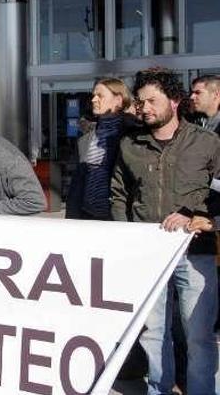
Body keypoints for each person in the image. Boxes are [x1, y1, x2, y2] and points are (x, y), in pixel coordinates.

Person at [110, 67, 219, 395]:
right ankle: (160, 389)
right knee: (154, 332)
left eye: (152, 100)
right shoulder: (130, 144)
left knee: (198, 335)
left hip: (195, 252)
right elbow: (118, 193)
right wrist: (127, 235)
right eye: (141, 102)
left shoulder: (207, 142)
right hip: (149, 254)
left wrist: (207, 219)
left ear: (174, 101)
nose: (144, 108)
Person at [65, 78, 133, 220]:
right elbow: (79, 180)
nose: (94, 100)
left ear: (118, 100)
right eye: (93, 95)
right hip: (87, 216)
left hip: (117, 217)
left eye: (100, 96)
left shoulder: (132, 133)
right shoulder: (87, 134)